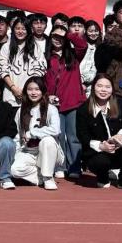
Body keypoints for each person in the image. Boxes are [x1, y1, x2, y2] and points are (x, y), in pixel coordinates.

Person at [76, 76, 122, 190]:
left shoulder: (120, 105)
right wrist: (101, 146)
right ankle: (103, 178)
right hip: (97, 154)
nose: (103, 90)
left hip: (119, 150)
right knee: (100, 162)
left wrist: (120, 136)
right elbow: (83, 136)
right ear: (93, 88)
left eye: (107, 87)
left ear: (112, 89)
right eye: (99, 86)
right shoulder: (83, 109)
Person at [45, 26, 88, 179]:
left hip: (73, 103)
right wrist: (47, 96)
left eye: (61, 37)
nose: (58, 39)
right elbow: (42, 80)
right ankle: (60, 166)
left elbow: (83, 45)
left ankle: (74, 167)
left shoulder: (74, 55)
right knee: (58, 136)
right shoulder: (46, 57)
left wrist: (68, 34)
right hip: (54, 105)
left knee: (73, 137)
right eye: (54, 36)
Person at [10, 77, 63, 190]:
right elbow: (18, 135)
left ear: (42, 91)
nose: (33, 92)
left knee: (47, 140)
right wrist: (15, 153)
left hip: (48, 151)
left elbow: (55, 130)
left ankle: (48, 177)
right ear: (25, 91)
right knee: (14, 170)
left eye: (37, 89)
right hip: (29, 151)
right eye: (30, 89)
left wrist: (32, 133)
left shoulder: (51, 109)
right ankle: (40, 175)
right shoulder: (21, 110)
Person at [0, 17, 47, 108]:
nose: (20, 31)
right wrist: (13, 88)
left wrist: (27, 89)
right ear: (13, 30)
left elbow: (40, 69)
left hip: (30, 96)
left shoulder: (35, 47)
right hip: (10, 95)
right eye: (17, 28)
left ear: (28, 30)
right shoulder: (6, 47)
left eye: (24, 29)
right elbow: (2, 70)